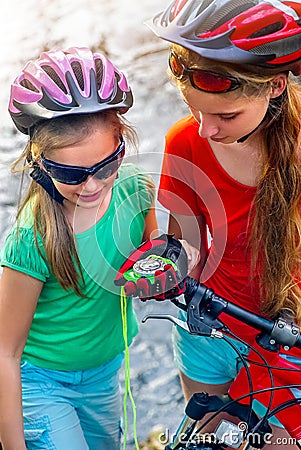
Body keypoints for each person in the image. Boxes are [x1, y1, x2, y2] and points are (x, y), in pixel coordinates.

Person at [143, 0, 301, 446]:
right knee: (210, 437)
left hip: (288, 337)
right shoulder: (184, 141)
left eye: (225, 116)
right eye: (196, 111)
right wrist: (168, 262)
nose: (206, 129)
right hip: (211, 326)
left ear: (273, 87)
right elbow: (186, 239)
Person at [0, 46, 159, 450]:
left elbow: (153, 255)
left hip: (105, 373)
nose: (91, 186)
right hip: (42, 382)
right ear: (40, 165)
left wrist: (172, 262)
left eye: (105, 167)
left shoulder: (136, 189)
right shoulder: (31, 237)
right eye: (71, 174)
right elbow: (6, 351)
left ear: (122, 141)